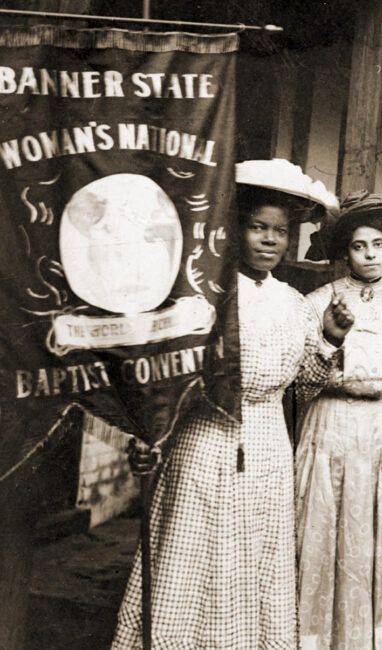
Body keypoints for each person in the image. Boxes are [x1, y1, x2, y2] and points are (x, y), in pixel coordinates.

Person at [112, 159, 354, 649]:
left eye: (280, 231)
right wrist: (145, 437)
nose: (269, 240)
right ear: (233, 230)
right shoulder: (203, 293)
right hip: (204, 441)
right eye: (257, 227)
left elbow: (302, 387)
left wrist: (330, 340)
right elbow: (162, 375)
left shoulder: (293, 302)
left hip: (267, 444)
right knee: (195, 552)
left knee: (255, 559)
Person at [295, 191, 382, 649]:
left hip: (377, 428)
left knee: (372, 531)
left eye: (378, 245)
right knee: (322, 527)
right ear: (345, 252)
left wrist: (376, 410)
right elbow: (302, 379)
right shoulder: (318, 303)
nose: (370, 254)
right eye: (359, 246)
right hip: (328, 423)